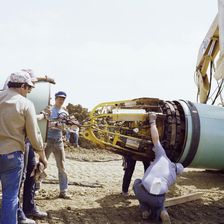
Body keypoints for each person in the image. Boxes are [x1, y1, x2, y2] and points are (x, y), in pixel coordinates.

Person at [0, 71, 48, 224]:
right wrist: (42, 156)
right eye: (29, 89)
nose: (28, 92)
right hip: (11, 156)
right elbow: (34, 134)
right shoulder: (25, 104)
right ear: (22, 86)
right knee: (10, 196)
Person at [133, 112, 184, 224]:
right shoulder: (173, 176)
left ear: (174, 163)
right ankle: (161, 212)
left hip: (143, 190)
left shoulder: (162, 156)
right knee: (160, 202)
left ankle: (144, 210)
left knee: (137, 182)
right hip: (156, 198)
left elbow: (155, 138)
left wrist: (152, 121)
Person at [45, 91, 71, 199]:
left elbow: (65, 128)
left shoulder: (65, 112)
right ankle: (35, 188)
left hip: (59, 140)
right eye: (59, 98)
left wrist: (62, 127)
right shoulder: (49, 110)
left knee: (62, 166)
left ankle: (63, 191)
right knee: (41, 164)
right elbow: (45, 123)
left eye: (63, 99)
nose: (61, 100)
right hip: (47, 141)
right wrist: (55, 124)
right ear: (55, 99)